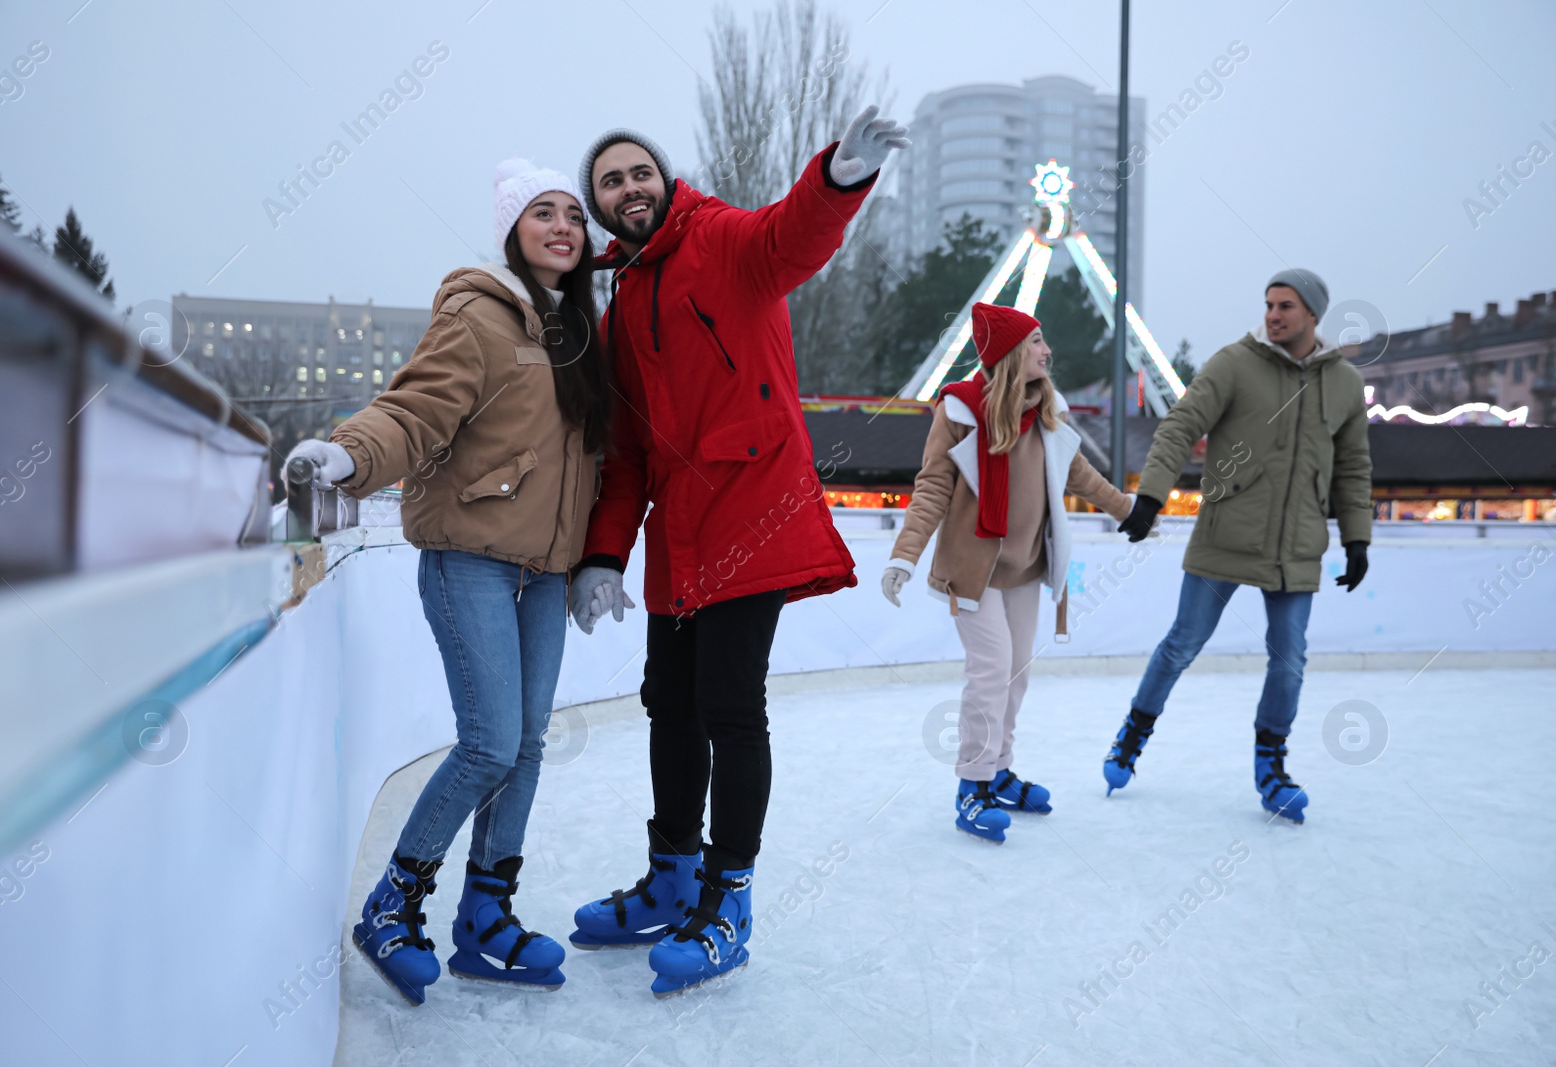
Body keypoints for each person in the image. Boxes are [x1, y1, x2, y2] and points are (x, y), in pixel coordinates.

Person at [562, 107, 908, 996]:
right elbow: (629, 452)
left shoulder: (722, 238)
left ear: (665, 180)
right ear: (600, 205)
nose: (629, 187)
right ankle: (671, 877)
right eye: (611, 180)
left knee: (726, 702)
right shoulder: (623, 299)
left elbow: (793, 237)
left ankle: (729, 898)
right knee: (666, 700)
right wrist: (605, 554)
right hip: (679, 531)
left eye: (640, 172)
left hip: (752, 511)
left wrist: (837, 176)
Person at [280, 159, 611, 1002]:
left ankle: (486, 919)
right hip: (469, 557)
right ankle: (393, 904)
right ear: (512, 228)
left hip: (544, 573)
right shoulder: (476, 317)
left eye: (574, 215)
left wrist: (592, 558)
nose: (564, 227)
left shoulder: (578, 333)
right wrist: (348, 454)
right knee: (490, 742)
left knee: (528, 746)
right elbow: (414, 410)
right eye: (545, 212)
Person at [1106, 269, 1373, 824]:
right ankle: (1132, 735)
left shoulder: (1344, 383)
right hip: (1226, 535)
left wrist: (1356, 537)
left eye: (1286, 306)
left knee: (1290, 660)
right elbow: (1180, 425)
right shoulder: (1235, 363)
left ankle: (1271, 766)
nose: (1273, 315)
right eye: (1270, 304)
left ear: (1313, 315)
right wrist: (1151, 497)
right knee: (1182, 643)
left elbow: (1352, 468)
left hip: (1297, 543)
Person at [881, 303, 1134, 844]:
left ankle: (997, 770)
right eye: (1037, 341)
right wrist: (905, 555)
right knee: (991, 669)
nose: (1047, 351)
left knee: (1017, 673)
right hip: (972, 571)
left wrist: (1126, 510)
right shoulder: (960, 412)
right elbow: (932, 487)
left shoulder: (1046, 412)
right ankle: (971, 786)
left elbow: (1081, 474)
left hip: (1024, 568)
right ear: (1013, 352)